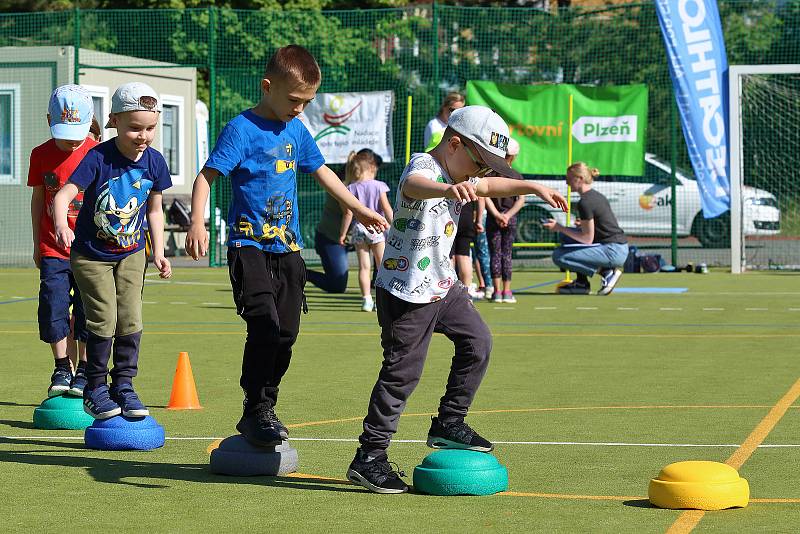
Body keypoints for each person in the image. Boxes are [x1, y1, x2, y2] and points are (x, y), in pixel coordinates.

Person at [346, 105, 568, 494]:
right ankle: (369, 458)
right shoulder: (427, 168)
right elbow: (414, 184)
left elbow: (490, 187)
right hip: (405, 289)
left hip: (442, 285)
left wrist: (534, 186)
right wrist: (448, 189)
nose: (480, 174)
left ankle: (449, 422)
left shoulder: (462, 173)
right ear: (454, 145)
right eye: (479, 163)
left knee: (478, 342)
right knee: (402, 374)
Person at [184, 45, 388, 447]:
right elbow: (206, 178)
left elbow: (324, 173)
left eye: (307, 102)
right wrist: (197, 222)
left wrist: (358, 208)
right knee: (264, 324)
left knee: (287, 334)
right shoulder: (241, 129)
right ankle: (255, 407)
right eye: (295, 100)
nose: (300, 109)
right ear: (267, 87)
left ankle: (267, 403)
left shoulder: (296, 129)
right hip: (249, 246)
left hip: (289, 250)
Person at [52, 82, 173, 419]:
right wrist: (62, 223)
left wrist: (159, 251)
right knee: (104, 317)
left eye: (150, 127)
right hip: (91, 255)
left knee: (131, 316)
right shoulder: (97, 157)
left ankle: (124, 385)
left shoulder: (154, 162)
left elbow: (154, 210)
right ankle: (95, 387)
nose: (143, 135)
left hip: (133, 252)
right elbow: (64, 194)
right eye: (135, 127)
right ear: (114, 121)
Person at [29, 85, 98, 397]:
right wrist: (36, 243)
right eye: (64, 132)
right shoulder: (41, 155)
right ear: (48, 121)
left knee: (86, 310)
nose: (72, 140)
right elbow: (38, 198)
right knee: (53, 306)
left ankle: (84, 370)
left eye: (77, 131)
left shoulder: (96, 153)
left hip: (90, 250)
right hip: (52, 249)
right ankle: (61, 367)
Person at [542, 162, 628, 295]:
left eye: (569, 178)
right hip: (617, 247)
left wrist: (559, 227)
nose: (566, 182)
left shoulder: (585, 202)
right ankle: (582, 283)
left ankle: (606, 272)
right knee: (567, 238)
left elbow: (587, 239)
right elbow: (599, 225)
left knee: (559, 256)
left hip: (613, 250)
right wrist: (579, 225)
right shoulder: (595, 196)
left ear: (579, 179)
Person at [306, 148, 384, 294]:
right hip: (333, 238)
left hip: (355, 236)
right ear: (368, 168)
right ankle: (301, 273)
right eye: (374, 169)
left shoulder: (372, 186)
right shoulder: (343, 186)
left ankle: (375, 283)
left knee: (378, 241)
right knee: (337, 285)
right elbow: (349, 214)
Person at [339, 151, 394, 312]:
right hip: (376, 229)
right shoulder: (379, 186)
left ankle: (366, 300)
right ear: (371, 168)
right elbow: (386, 209)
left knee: (364, 267)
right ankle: (381, 300)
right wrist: (394, 227)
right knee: (382, 266)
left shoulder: (351, 188)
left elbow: (348, 214)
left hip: (358, 229)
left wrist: (343, 234)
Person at [485, 138, 524, 304]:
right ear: (513, 157)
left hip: (494, 219)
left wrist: (496, 215)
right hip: (511, 218)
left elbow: (484, 197)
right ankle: (507, 291)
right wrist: (508, 216)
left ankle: (497, 291)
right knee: (507, 254)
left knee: (495, 253)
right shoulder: (516, 175)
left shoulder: (489, 174)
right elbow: (521, 200)